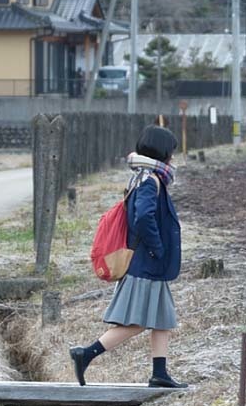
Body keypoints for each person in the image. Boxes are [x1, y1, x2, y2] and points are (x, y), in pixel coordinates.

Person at [70, 125, 186, 388]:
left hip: (150, 263)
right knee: (139, 322)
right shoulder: (150, 180)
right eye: (171, 153)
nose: (173, 158)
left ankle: (160, 374)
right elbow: (143, 217)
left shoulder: (143, 176)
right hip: (146, 263)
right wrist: (158, 248)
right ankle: (86, 354)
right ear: (162, 152)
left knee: (162, 319)